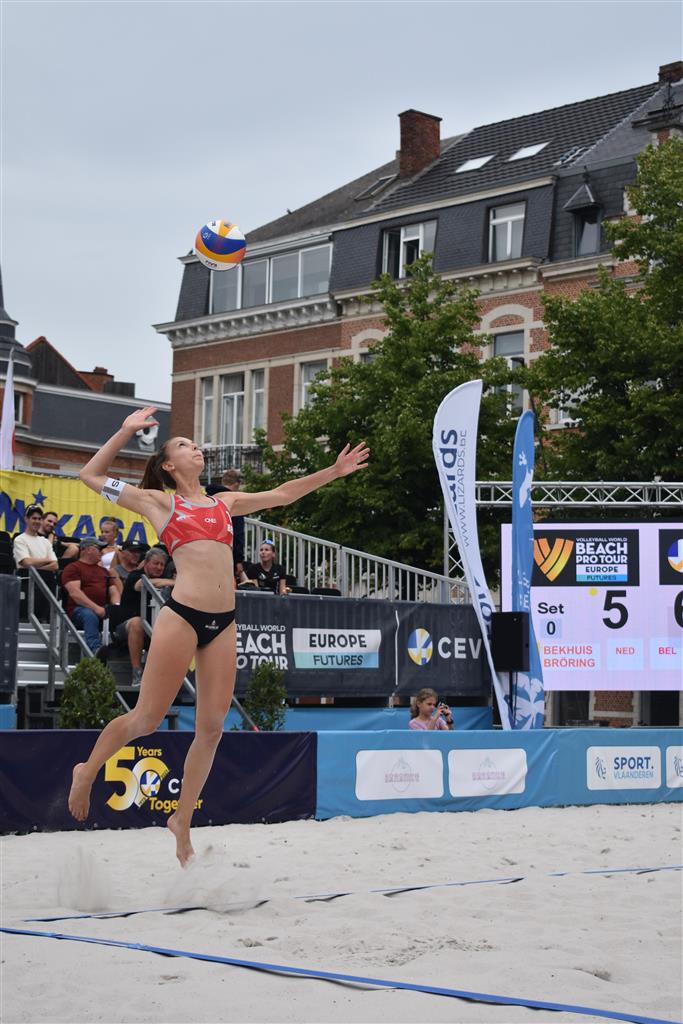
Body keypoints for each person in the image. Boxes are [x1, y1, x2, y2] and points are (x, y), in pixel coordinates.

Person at [67, 406, 369, 866]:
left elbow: (283, 494)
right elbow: (89, 475)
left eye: (195, 444)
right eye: (184, 445)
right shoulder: (158, 502)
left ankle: (181, 820)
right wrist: (125, 430)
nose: (195, 448)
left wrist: (333, 471)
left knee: (211, 729)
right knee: (146, 719)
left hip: (224, 620)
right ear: (169, 465)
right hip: (183, 616)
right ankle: (87, 770)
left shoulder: (224, 502)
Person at [112, 546, 176, 687]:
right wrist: (173, 582)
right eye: (156, 563)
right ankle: (137, 672)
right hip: (125, 627)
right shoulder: (135, 575)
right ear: (146, 563)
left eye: (162, 565)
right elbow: (141, 585)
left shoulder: (163, 580)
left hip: (155, 627)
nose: (159, 567)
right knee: (137, 623)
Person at [61, 537, 122, 656]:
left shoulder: (104, 571)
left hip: (102, 609)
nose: (102, 552)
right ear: (88, 549)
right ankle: (96, 649)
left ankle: (122, 649)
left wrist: (116, 606)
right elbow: (75, 593)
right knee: (89, 614)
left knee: (123, 615)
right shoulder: (73, 568)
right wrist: (96, 608)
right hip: (78, 611)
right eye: (99, 549)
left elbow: (114, 591)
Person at [13, 504, 59, 619]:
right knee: (25, 619)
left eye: (39, 518)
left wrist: (35, 566)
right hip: (27, 584)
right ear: (26, 519)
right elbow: (26, 562)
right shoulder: (20, 539)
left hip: (47, 585)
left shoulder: (45, 542)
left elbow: (55, 565)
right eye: (34, 518)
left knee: (45, 620)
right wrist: (47, 560)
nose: (37, 521)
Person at [206, 468, 245, 578]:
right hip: (225, 553)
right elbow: (237, 533)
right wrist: (238, 559)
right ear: (237, 484)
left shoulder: (207, 498)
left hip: (204, 550)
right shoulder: (234, 502)